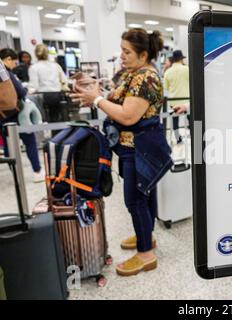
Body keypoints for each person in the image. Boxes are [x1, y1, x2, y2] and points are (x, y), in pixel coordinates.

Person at [70, 29, 172, 277]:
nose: (122, 56)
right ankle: (146, 237)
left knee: (135, 200)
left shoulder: (145, 79)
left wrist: (96, 100)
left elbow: (128, 115)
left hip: (139, 148)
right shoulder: (133, 75)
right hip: (133, 148)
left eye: (127, 51)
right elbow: (119, 101)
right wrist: (97, 94)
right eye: (122, 50)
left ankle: (146, 255)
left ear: (143, 54)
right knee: (144, 195)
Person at [0, 49, 44, 182]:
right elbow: (20, 91)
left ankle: (15, 174)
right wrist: (25, 90)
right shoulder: (5, 72)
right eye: (14, 61)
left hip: (1, 116)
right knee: (29, 141)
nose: (15, 64)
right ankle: (37, 171)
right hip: (15, 114)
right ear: (8, 59)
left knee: (8, 145)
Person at [29, 44, 68, 127]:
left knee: (43, 119)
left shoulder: (34, 67)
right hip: (57, 95)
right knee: (56, 119)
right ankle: (57, 136)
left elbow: (34, 86)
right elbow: (64, 80)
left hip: (43, 96)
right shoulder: (56, 65)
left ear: (35, 54)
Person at [164, 50, 190, 144]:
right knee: (191, 120)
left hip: (173, 102)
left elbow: (166, 87)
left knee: (175, 122)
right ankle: (194, 137)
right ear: (181, 59)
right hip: (187, 101)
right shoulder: (187, 69)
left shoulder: (168, 72)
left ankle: (178, 139)